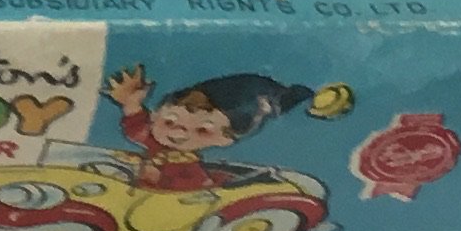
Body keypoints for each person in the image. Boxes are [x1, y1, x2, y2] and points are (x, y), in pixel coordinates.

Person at [102, 67, 356, 191]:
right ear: (156, 114)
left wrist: (154, 179)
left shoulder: (189, 169)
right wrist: (131, 102)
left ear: (225, 140)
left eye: (203, 131)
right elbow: (137, 129)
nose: (178, 134)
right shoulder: (155, 142)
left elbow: (195, 192)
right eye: (169, 122)